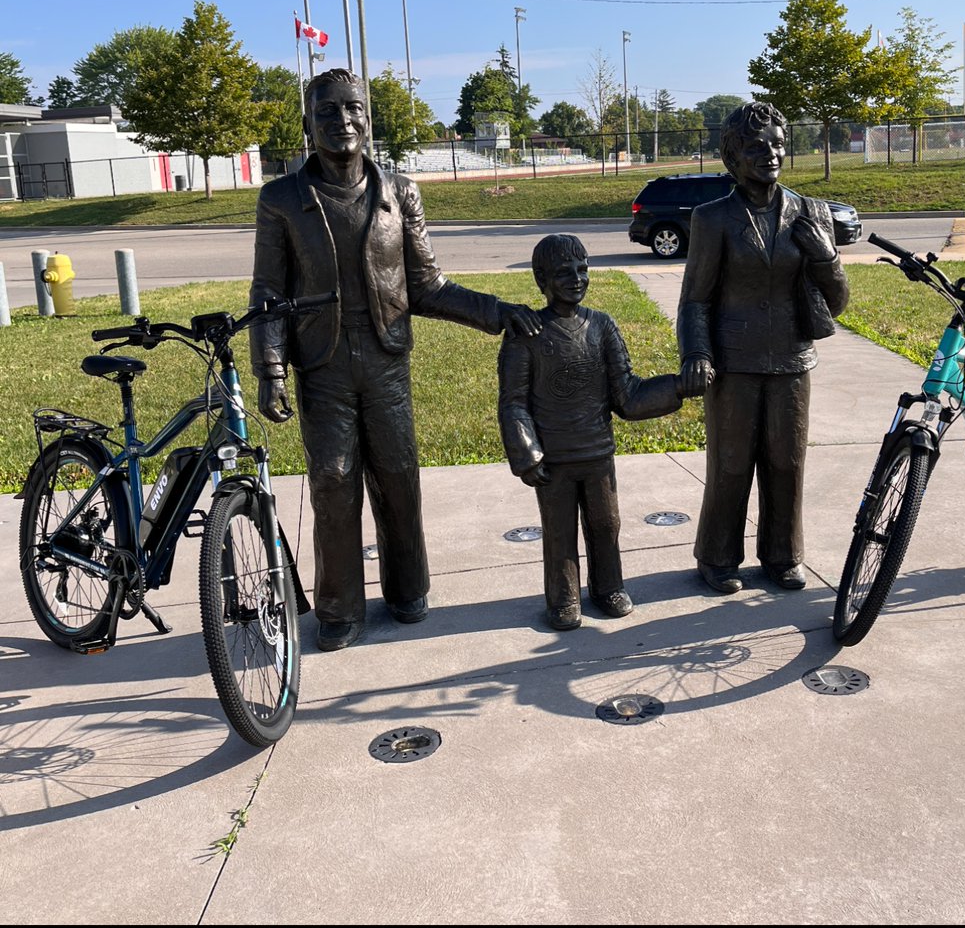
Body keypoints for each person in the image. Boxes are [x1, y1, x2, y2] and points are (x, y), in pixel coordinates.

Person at [249, 68, 540, 651]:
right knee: (333, 481)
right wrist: (271, 368)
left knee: (399, 477)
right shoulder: (281, 199)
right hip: (323, 365)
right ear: (309, 122)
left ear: (368, 117)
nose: (342, 120)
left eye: (353, 108)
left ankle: (408, 588)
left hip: (384, 362)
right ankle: (339, 607)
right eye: (327, 110)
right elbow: (267, 295)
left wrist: (496, 312)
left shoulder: (399, 192)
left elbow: (427, 285)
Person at [677, 100, 851, 594]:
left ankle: (783, 555)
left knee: (787, 462)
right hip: (734, 363)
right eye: (756, 146)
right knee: (731, 463)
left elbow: (836, 304)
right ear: (732, 158)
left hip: (792, 360)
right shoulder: (712, 219)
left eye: (777, 143)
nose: (770, 154)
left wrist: (827, 257)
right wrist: (697, 354)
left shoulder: (811, 212)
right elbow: (694, 300)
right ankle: (717, 557)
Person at [498, 234, 690, 630]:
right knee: (559, 532)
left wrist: (678, 386)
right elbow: (513, 402)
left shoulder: (602, 326)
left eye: (582, 268)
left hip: (598, 454)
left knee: (606, 525)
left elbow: (629, 396)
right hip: (554, 459)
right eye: (564, 271)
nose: (576, 277)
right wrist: (526, 452)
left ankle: (608, 587)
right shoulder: (525, 334)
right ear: (541, 278)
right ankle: (564, 597)